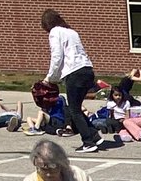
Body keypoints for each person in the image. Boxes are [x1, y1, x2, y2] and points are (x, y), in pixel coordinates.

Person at [40, 9, 101, 153]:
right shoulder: (72, 32)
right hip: (87, 70)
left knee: (73, 110)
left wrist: (50, 77)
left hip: (74, 73)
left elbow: (57, 56)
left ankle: (88, 142)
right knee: (77, 108)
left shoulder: (55, 32)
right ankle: (94, 135)